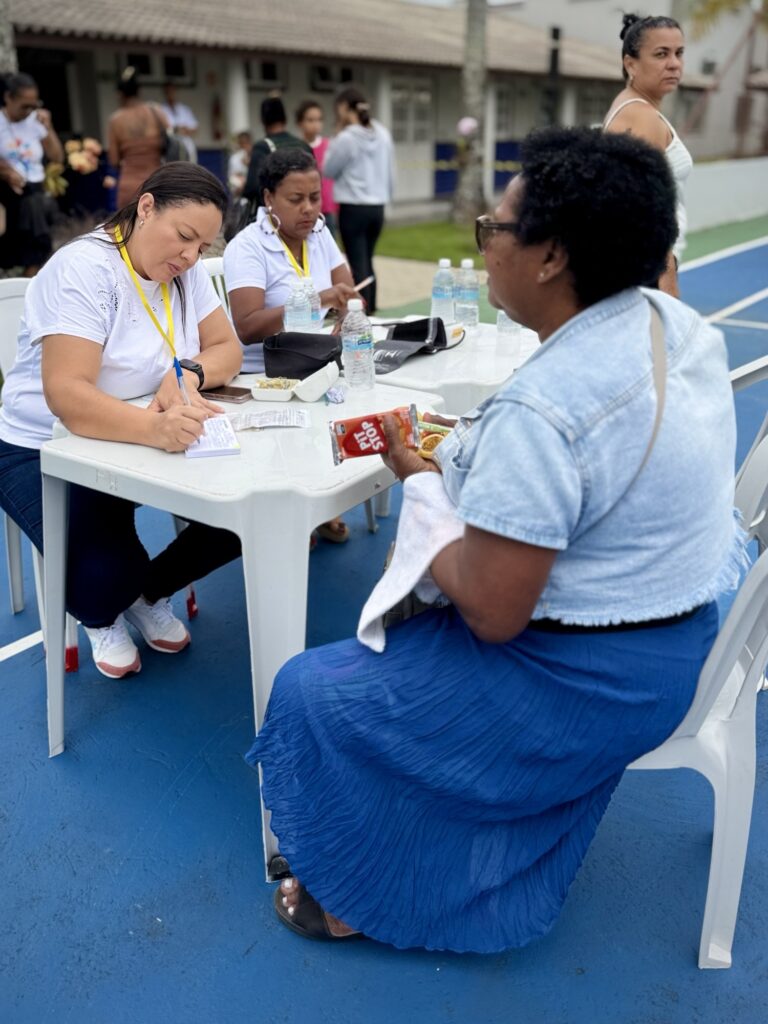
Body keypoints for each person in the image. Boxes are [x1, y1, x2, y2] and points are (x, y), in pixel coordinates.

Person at [246, 127, 744, 950]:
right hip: (680, 631)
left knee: (310, 690)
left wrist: (421, 485)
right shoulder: (673, 324)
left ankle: (361, 890)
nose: (485, 245)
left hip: (593, 684)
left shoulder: (544, 411)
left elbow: (492, 612)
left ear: (550, 258)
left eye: (494, 229)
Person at [0, 164, 243, 679]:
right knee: (104, 582)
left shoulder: (186, 272)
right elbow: (68, 396)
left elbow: (228, 348)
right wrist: (156, 430)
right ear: (146, 206)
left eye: (202, 246)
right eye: (184, 237)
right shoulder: (84, 268)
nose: (190, 256)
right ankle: (111, 604)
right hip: (43, 445)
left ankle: (146, 593)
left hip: (132, 437)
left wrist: (189, 373)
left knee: (243, 513)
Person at [224, 148, 357, 544]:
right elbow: (247, 327)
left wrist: (345, 315)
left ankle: (316, 503)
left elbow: (348, 294)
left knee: (367, 395)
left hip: (317, 360)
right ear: (268, 198)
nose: (309, 209)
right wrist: (319, 300)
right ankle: (298, 514)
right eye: (296, 199)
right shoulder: (247, 247)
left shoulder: (319, 233)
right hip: (262, 375)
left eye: (315, 197)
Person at [603, 12, 691, 297]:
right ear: (630, 63)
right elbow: (643, 210)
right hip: (646, 271)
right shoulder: (640, 116)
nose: (674, 64)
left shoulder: (635, 107)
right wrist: (668, 283)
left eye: (679, 53)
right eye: (661, 54)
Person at [322, 86, 394, 313]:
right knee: (368, 260)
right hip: (377, 206)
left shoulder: (346, 138)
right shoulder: (382, 133)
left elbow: (328, 169)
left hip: (353, 207)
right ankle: (372, 308)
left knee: (357, 262)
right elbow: (390, 171)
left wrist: (336, 134)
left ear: (344, 108)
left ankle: (363, 313)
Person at [0, 72, 64, 275]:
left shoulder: (35, 121)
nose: (29, 111)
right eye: (24, 106)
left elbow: (57, 157)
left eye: (33, 106)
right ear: (8, 98)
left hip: (36, 190)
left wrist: (48, 127)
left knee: (37, 206)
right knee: (32, 208)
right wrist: (5, 171)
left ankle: (32, 272)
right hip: (10, 191)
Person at [107, 67, 167, 209]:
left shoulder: (116, 121)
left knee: (129, 222)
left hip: (129, 187)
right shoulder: (156, 112)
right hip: (157, 183)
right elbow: (170, 142)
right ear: (139, 91)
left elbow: (114, 160)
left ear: (120, 94)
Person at [242, 97, 312, 206]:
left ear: (262, 120)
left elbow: (252, 187)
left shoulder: (262, 147)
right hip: (305, 208)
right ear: (285, 118)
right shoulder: (304, 146)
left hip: (276, 212)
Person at [295, 99, 338, 238]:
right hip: (303, 209)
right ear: (300, 123)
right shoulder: (296, 147)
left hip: (327, 209)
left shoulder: (329, 146)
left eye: (319, 120)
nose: (315, 124)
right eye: (310, 120)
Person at [160, 82, 198, 163]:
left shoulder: (185, 109)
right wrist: (176, 130)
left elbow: (194, 128)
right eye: (168, 91)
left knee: (188, 168)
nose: (170, 93)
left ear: (175, 91)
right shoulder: (161, 110)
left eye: (172, 90)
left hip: (187, 147)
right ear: (165, 92)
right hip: (170, 149)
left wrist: (182, 130)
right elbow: (163, 130)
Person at [228, 130, 252, 196]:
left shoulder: (256, 156)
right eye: (242, 143)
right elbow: (232, 178)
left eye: (247, 143)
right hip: (240, 194)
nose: (245, 146)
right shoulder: (235, 158)